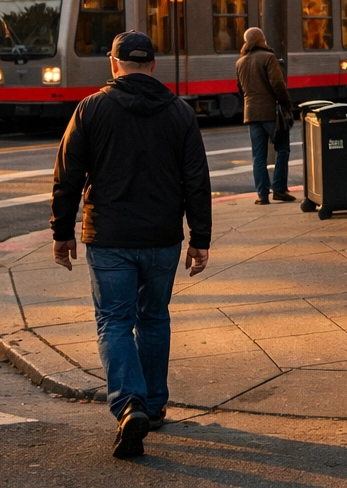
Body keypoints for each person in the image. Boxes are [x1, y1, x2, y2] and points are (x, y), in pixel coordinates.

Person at [50, 31, 211, 459]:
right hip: (162, 238)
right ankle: (154, 404)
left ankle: (129, 404)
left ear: (114, 62)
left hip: (110, 237)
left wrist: (61, 231)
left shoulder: (92, 109)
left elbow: (68, 174)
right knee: (154, 318)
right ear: (154, 65)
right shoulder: (179, 112)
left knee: (115, 322)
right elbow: (197, 180)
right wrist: (201, 239)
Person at [236, 27, 296, 204]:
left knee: (258, 156)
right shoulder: (268, 58)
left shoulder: (240, 62)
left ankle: (262, 195)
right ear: (262, 40)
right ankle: (278, 188)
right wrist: (286, 104)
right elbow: (278, 84)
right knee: (282, 149)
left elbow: (240, 89)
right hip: (271, 112)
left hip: (251, 113)